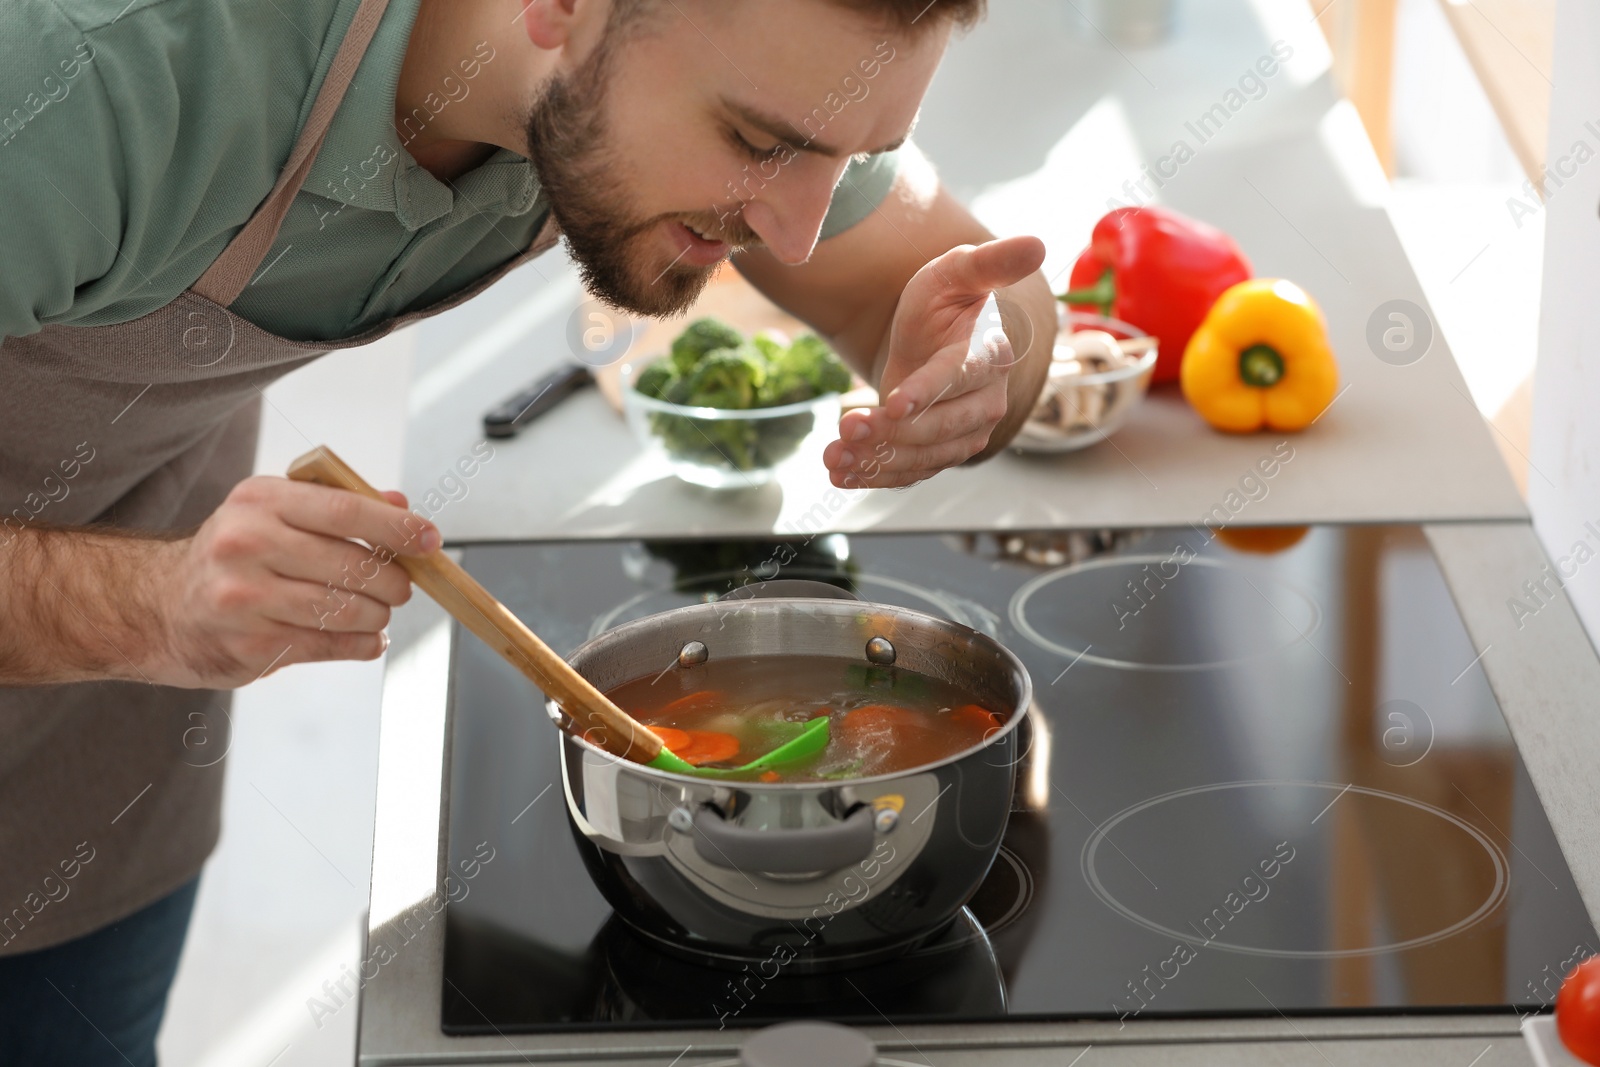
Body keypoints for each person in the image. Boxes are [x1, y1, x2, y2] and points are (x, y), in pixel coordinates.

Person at [0, 0, 1054, 1061]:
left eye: (848, 156)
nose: (797, 232)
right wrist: (150, 604)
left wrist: (977, 368)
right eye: (757, 144)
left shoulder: (732, 62)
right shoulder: (84, 66)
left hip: (94, 750)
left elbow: (964, 286)